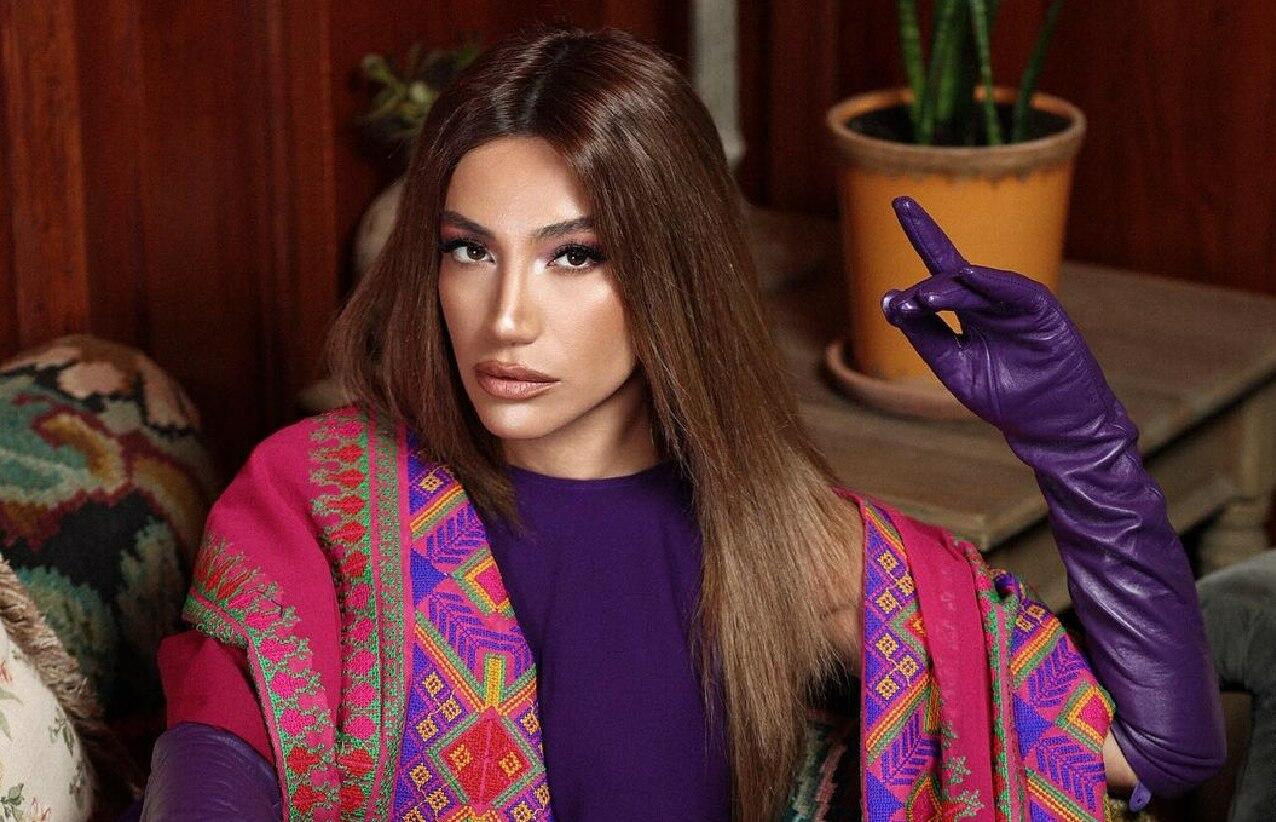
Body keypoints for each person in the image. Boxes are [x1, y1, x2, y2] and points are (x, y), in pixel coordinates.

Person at [137, 24, 1225, 822]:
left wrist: (1078, 439)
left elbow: (1155, 752)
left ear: (673, 271)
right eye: (469, 250)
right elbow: (209, 771)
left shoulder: (784, 542)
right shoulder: (316, 500)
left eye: (575, 256)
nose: (506, 316)